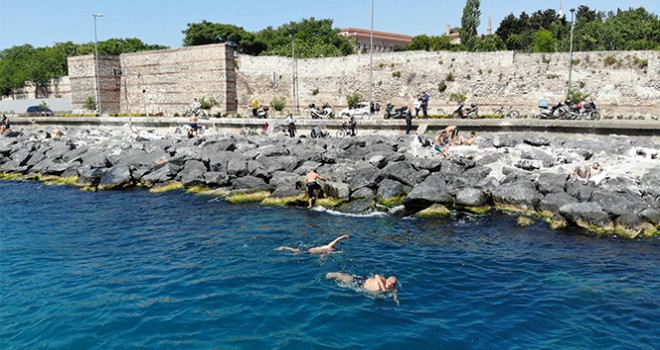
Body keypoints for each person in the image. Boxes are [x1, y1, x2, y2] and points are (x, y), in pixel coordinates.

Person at [326, 272, 399, 305]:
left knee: (348, 281)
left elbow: (395, 292)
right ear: (387, 279)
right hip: (363, 281)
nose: (390, 284)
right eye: (389, 281)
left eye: (392, 283)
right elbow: (377, 275)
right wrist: (382, 286)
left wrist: (396, 299)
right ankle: (334, 274)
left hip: (362, 287)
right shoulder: (383, 280)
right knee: (348, 278)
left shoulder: (392, 288)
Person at [277, 234, 350, 254]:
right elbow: (336, 240)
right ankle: (284, 247)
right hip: (308, 251)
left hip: (311, 249)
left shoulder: (327, 250)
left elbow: (323, 255)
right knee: (295, 251)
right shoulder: (329, 247)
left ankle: (285, 247)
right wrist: (343, 236)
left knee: (295, 251)